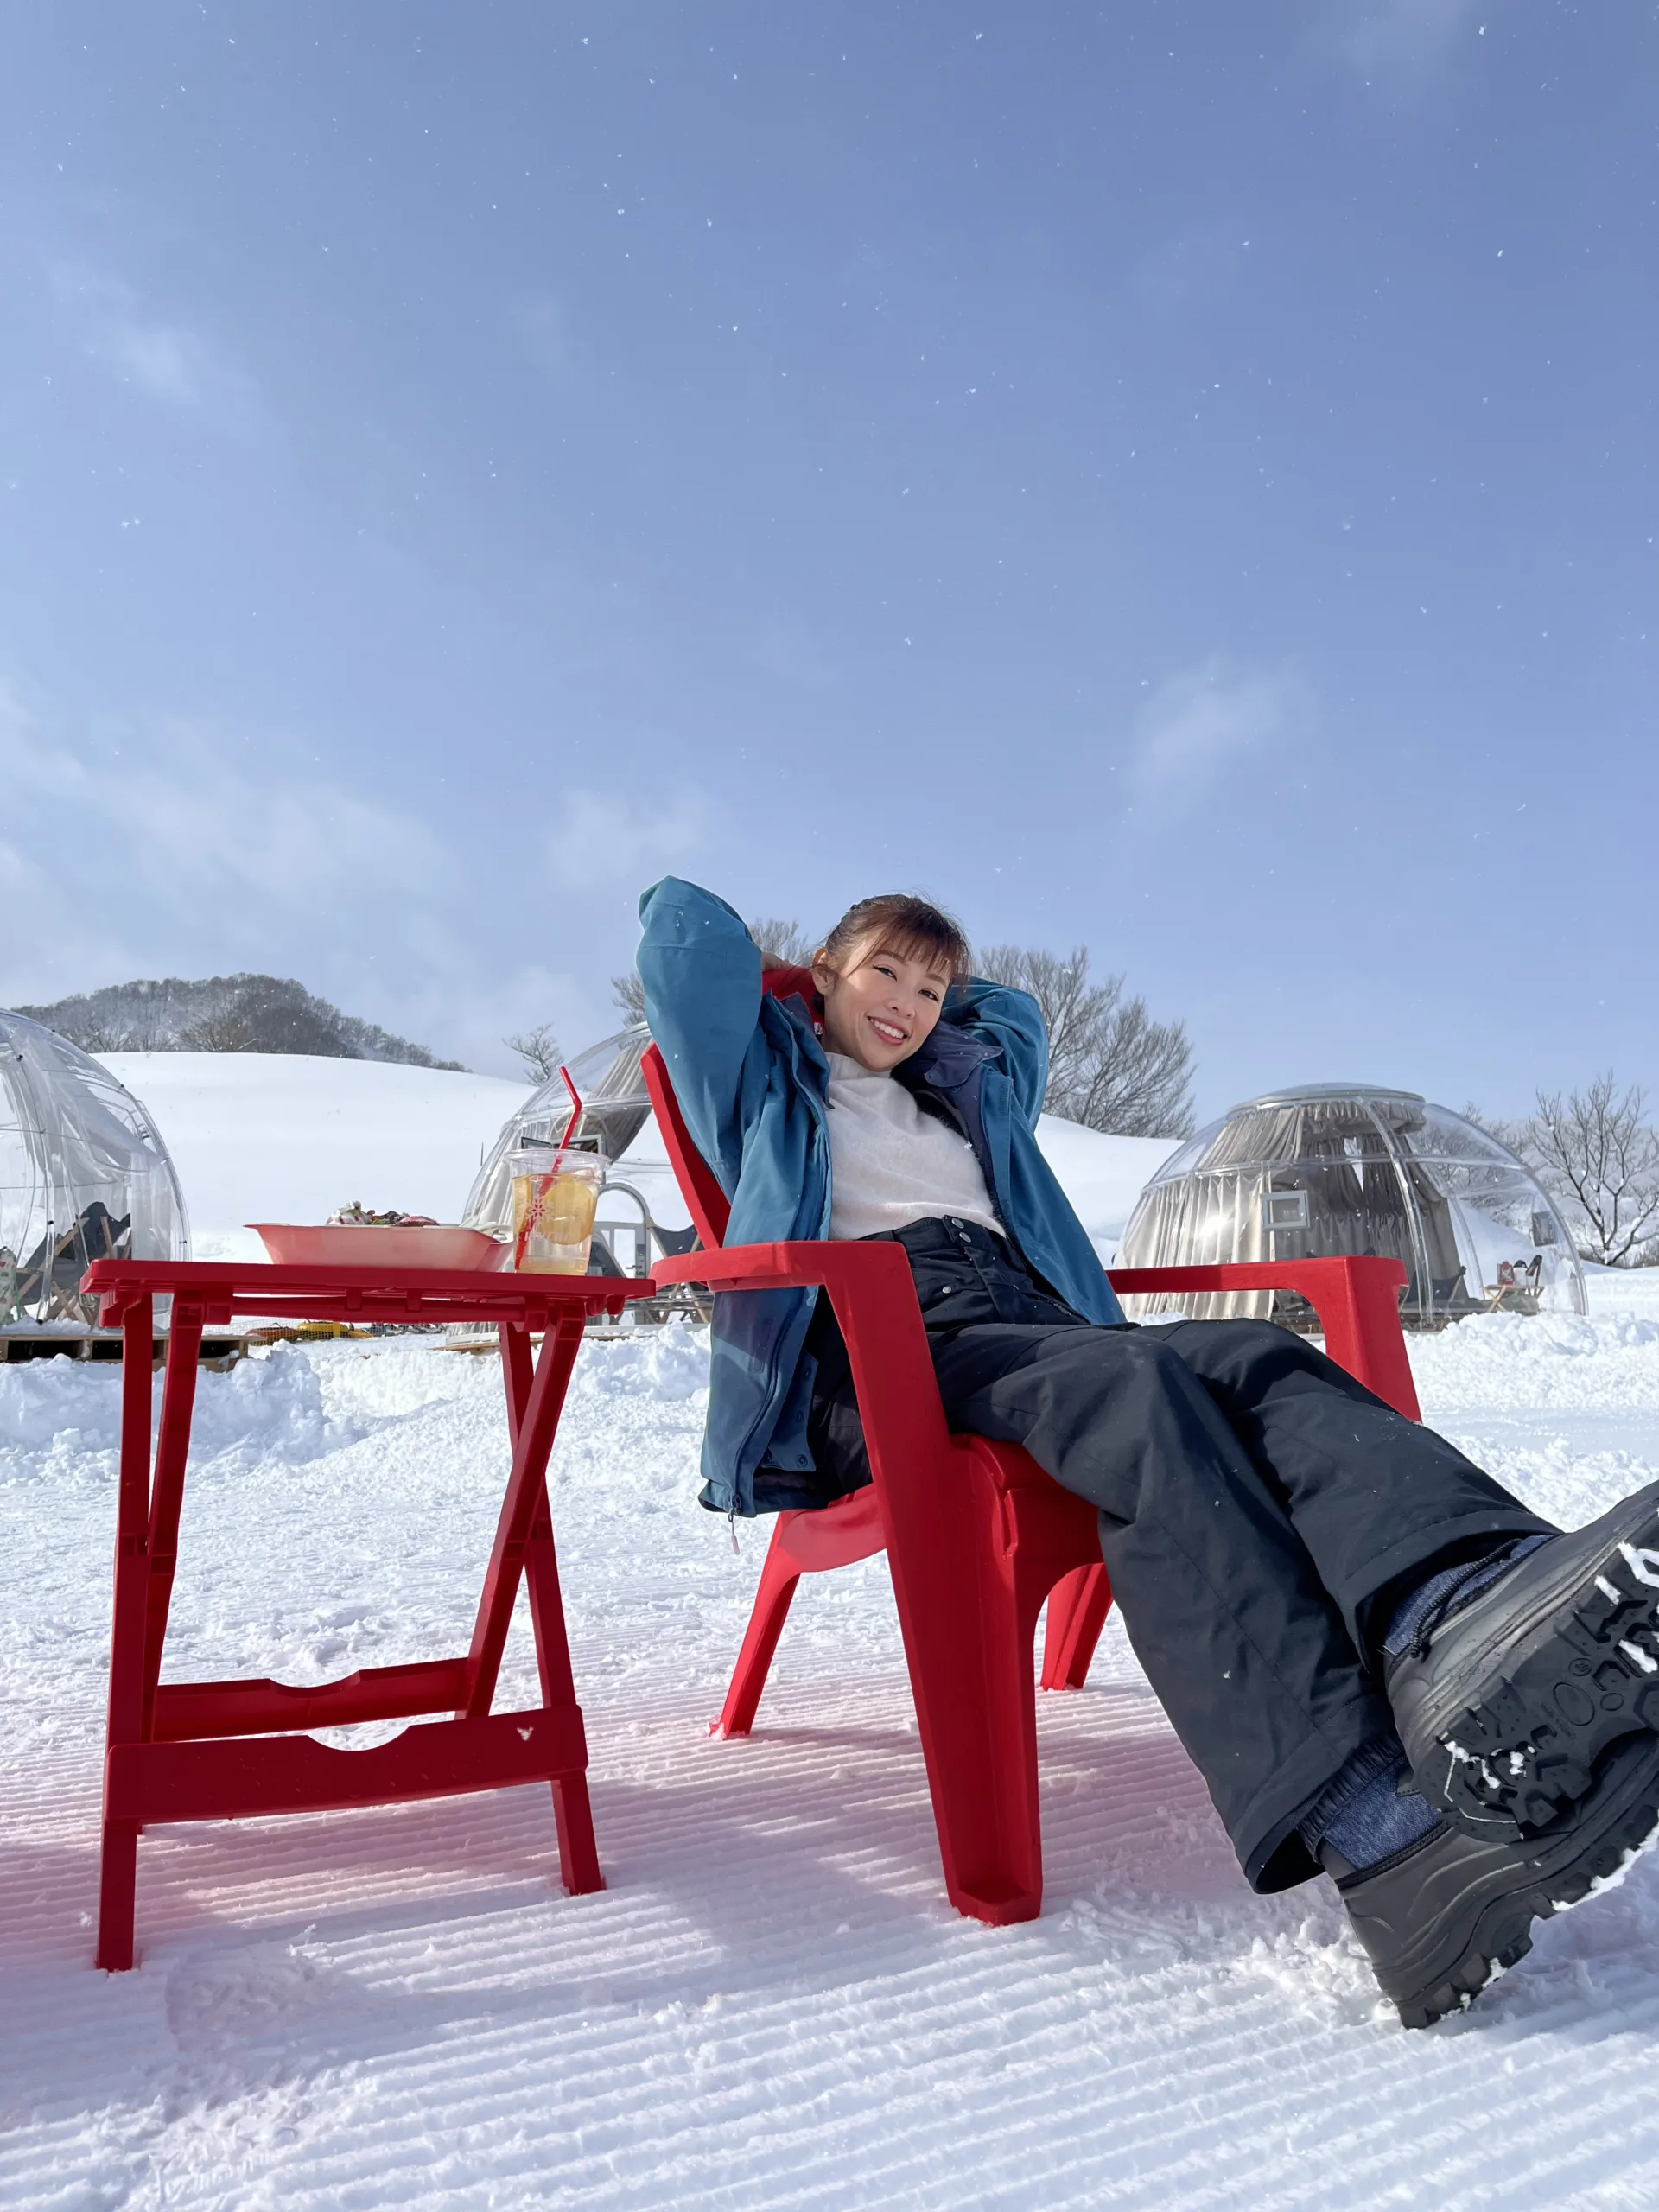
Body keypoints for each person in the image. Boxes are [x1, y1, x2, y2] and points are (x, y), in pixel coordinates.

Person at [637, 875, 1659, 2028]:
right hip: (882, 1348)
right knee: (1138, 1390)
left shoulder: (961, 1098)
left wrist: (924, 1022)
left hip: (1027, 1323)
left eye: (932, 990)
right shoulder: (764, 1082)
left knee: (1255, 1355)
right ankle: (1374, 1823)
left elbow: (1016, 1015)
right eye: (884, 972)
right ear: (822, 969)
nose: (912, 1005)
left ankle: (1464, 1606)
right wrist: (795, 997)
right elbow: (680, 939)